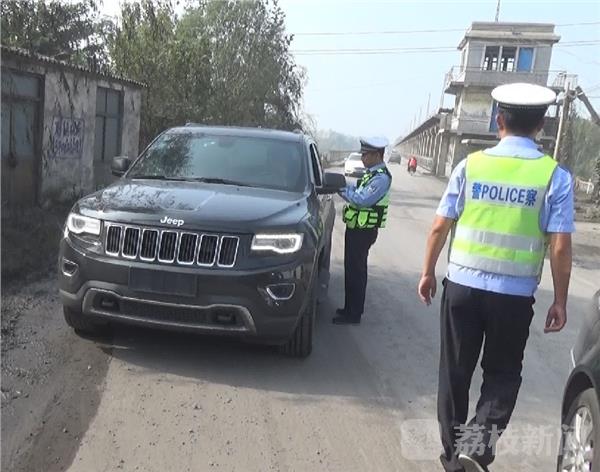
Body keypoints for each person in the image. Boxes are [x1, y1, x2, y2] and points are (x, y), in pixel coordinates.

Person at [417, 83, 574, 472]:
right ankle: (475, 448)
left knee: (454, 373)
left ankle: (454, 458)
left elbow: (439, 226)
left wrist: (427, 271)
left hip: (461, 288)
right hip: (513, 297)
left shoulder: (470, 166)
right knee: (502, 376)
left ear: (498, 120)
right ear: (541, 126)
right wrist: (560, 300)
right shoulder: (554, 176)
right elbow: (559, 247)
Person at [334, 136, 392, 325]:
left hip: (364, 232)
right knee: (351, 270)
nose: (362, 158)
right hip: (356, 228)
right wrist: (345, 187)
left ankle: (354, 313)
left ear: (377, 155)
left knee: (357, 272)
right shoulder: (371, 175)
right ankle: (349, 308)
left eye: (366, 155)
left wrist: (340, 189)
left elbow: (361, 200)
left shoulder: (381, 178)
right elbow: (356, 191)